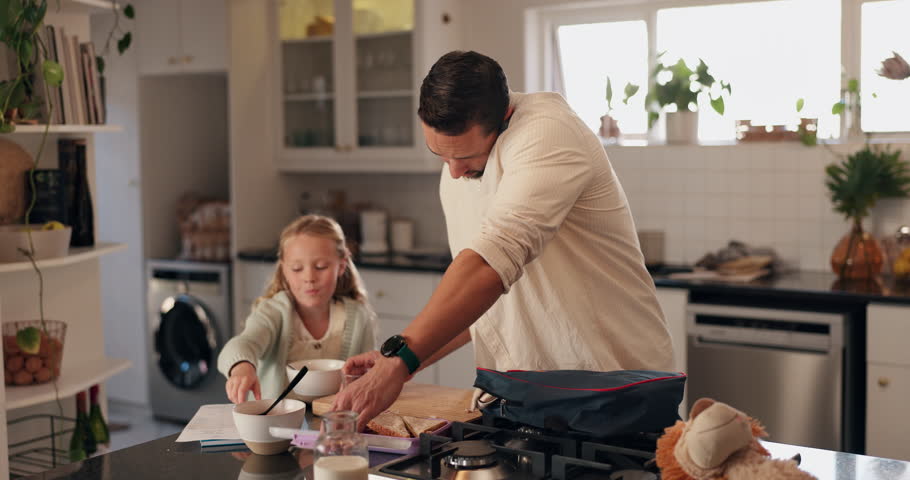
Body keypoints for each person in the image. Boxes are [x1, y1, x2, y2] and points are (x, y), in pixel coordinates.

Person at [332, 50, 675, 431]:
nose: (455, 172)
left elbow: (488, 267)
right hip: (524, 398)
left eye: (466, 156)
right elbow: (480, 304)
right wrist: (396, 362)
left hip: (614, 389)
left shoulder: (548, 133)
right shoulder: (457, 171)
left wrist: (402, 359)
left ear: (503, 118)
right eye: (440, 155)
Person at [218, 214, 377, 403]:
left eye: (321, 266)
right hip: (276, 422)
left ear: (341, 266)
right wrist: (242, 367)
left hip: (333, 423)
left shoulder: (358, 316)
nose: (309, 277)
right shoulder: (273, 312)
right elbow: (244, 343)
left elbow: (368, 375)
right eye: (296, 268)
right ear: (284, 269)